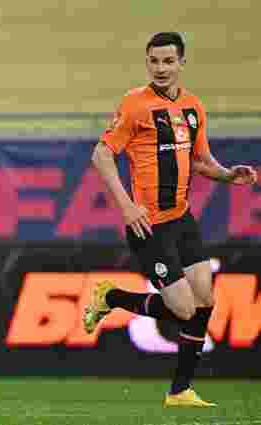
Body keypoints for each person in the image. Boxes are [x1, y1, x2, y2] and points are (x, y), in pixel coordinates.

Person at [84, 32, 257, 407]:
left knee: (205, 301)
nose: (160, 68)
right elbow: (101, 154)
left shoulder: (193, 106)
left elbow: (199, 160)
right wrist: (127, 207)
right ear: (147, 62)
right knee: (184, 310)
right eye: (154, 61)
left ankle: (180, 391)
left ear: (181, 63)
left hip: (182, 219)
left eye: (168, 61)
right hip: (149, 225)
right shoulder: (135, 104)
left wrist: (228, 175)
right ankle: (110, 297)